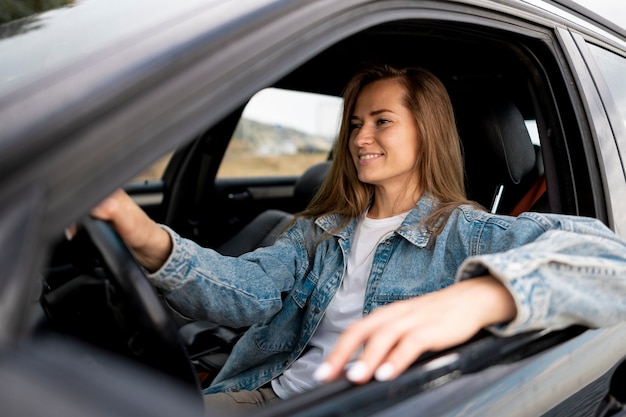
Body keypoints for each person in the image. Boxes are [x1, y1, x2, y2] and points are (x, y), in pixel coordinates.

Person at [92, 64, 626, 411]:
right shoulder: (320, 228)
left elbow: (611, 260)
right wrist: (143, 234)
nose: (359, 138)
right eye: (353, 123)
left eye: (381, 121)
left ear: (426, 132)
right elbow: (244, 291)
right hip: (267, 393)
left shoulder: (470, 234)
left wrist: (482, 295)